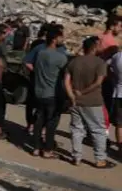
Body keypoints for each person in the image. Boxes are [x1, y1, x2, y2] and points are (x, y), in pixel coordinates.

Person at [65, 36, 112, 168]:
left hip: (76, 101)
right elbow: (98, 82)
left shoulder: (74, 62)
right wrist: (83, 92)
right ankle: (100, 159)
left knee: (77, 129)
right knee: (98, 130)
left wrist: (72, 95)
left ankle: (76, 157)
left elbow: (66, 81)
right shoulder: (99, 63)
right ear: (95, 47)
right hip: (93, 101)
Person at [32, 27, 68, 158]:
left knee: (39, 120)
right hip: (52, 93)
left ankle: (36, 148)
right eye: (60, 37)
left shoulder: (41, 53)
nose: (62, 40)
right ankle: (48, 150)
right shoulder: (60, 57)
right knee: (51, 123)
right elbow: (67, 76)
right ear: (54, 39)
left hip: (39, 91)